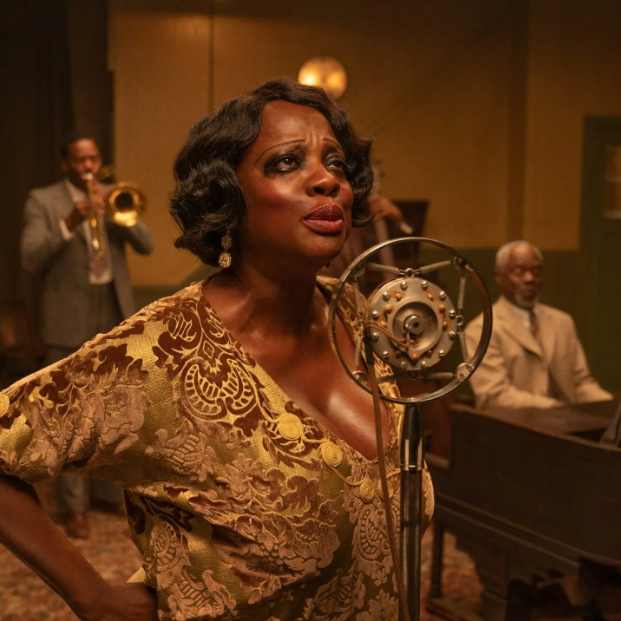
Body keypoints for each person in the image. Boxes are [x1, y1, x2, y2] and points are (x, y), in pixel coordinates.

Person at [0, 79, 433, 621]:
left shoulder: (358, 313)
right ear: (227, 195)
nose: (326, 180)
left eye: (337, 164)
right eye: (286, 163)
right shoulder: (161, 353)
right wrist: (95, 598)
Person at [19, 133, 154, 538]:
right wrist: (70, 222)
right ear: (65, 164)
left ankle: (108, 497)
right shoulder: (42, 201)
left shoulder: (115, 196)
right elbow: (29, 258)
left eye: (93, 158)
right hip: (66, 317)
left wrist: (116, 215)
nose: (88, 167)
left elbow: (146, 244)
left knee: (113, 411)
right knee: (66, 416)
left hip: (113, 314)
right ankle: (73, 507)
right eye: (80, 161)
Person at [465, 240, 612, 410]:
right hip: (513, 429)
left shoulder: (562, 322)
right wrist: (555, 407)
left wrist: (611, 407)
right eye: (519, 272)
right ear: (499, 276)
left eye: (535, 272)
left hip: (567, 425)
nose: (530, 279)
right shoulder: (482, 329)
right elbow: (494, 396)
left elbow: (580, 384)